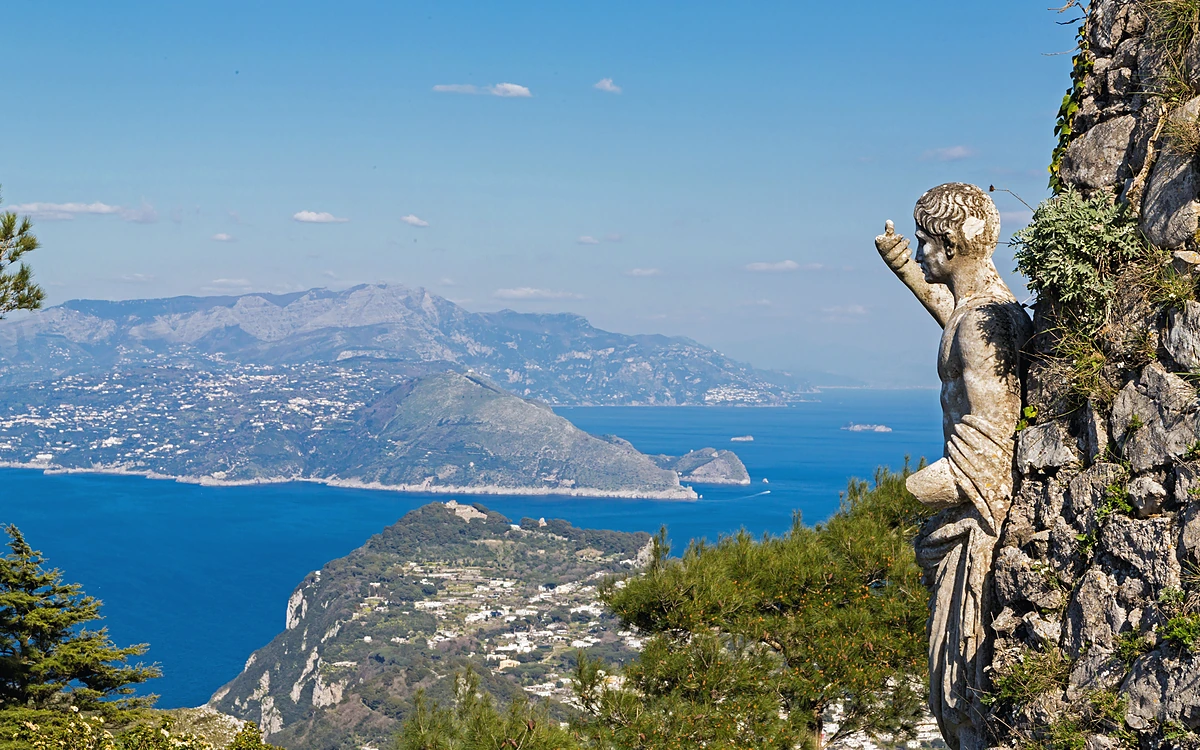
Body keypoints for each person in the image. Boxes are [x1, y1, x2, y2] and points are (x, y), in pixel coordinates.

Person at [875, 183, 1032, 750]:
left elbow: (988, 446)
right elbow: (955, 319)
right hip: (965, 519)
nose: (920, 252)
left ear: (951, 241)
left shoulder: (978, 325)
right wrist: (902, 272)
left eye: (923, 243)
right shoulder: (988, 309)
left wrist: (913, 489)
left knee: (958, 683)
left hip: (973, 522)